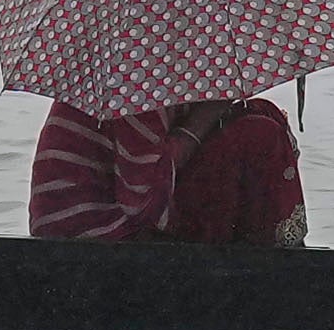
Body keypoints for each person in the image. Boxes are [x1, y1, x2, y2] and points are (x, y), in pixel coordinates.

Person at [27, 94, 306, 244]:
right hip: (93, 232)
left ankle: (269, 253)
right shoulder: (138, 83)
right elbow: (145, 203)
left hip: (126, 212)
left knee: (259, 114)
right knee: (258, 134)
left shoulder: (163, 71)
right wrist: (207, 114)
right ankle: (275, 263)